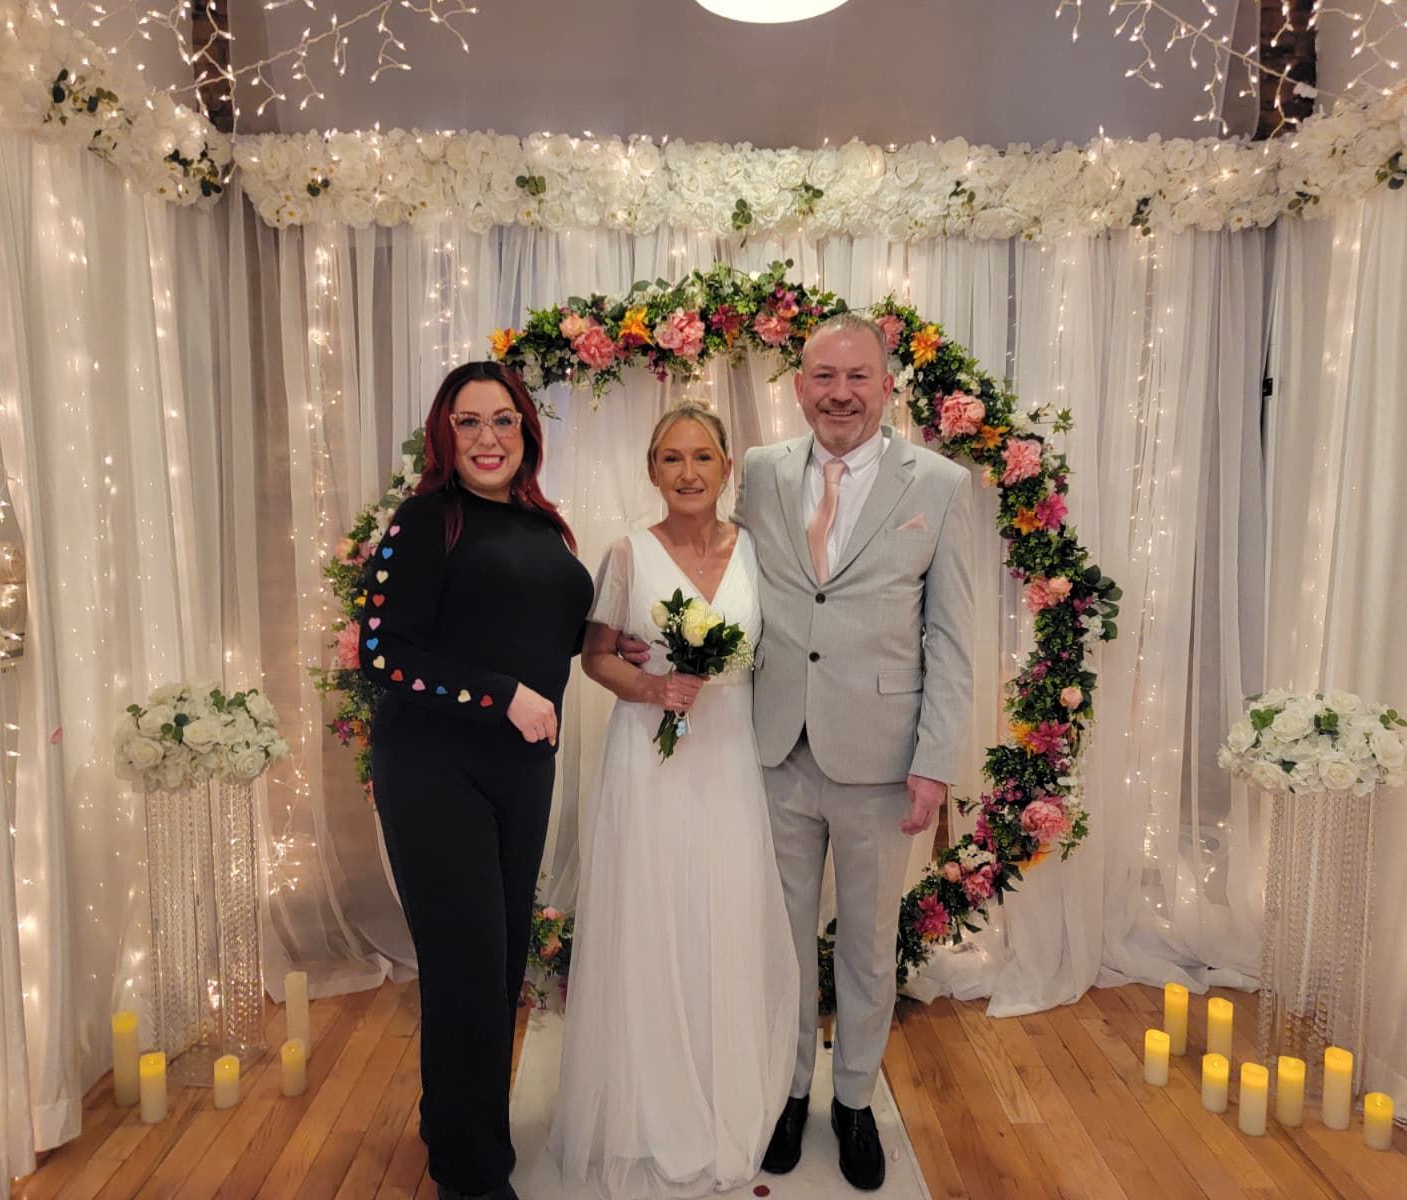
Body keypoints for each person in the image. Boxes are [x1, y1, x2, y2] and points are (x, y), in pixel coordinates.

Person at [620, 313, 974, 1191]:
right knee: (772, 939)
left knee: (864, 941)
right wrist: (643, 642)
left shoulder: (941, 483)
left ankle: (853, 1100)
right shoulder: (766, 474)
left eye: (858, 376)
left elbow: (954, 639)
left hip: (883, 759)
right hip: (769, 748)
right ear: (799, 385)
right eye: (823, 376)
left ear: (888, 385)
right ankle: (784, 1090)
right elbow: (715, 572)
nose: (840, 393)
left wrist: (934, 762)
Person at [549, 403, 796, 1198]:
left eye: (703, 458)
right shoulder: (626, 552)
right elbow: (593, 656)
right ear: (651, 469)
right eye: (671, 458)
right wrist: (653, 685)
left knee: (722, 910)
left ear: (728, 469)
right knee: (653, 912)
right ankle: (648, 1100)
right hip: (650, 762)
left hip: (731, 760)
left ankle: (728, 1087)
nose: (688, 473)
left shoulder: (762, 551)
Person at [362, 361, 594, 1200]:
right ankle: (469, 1171)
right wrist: (502, 697)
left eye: (504, 420)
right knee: (465, 967)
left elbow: (530, 631)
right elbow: (384, 655)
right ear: (444, 434)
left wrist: (616, 650)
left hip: (522, 770)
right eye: (469, 423)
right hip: (434, 767)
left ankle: (454, 1121)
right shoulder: (427, 521)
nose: (488, 438)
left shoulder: (542, 527)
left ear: (527, 430)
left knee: (497, 969)